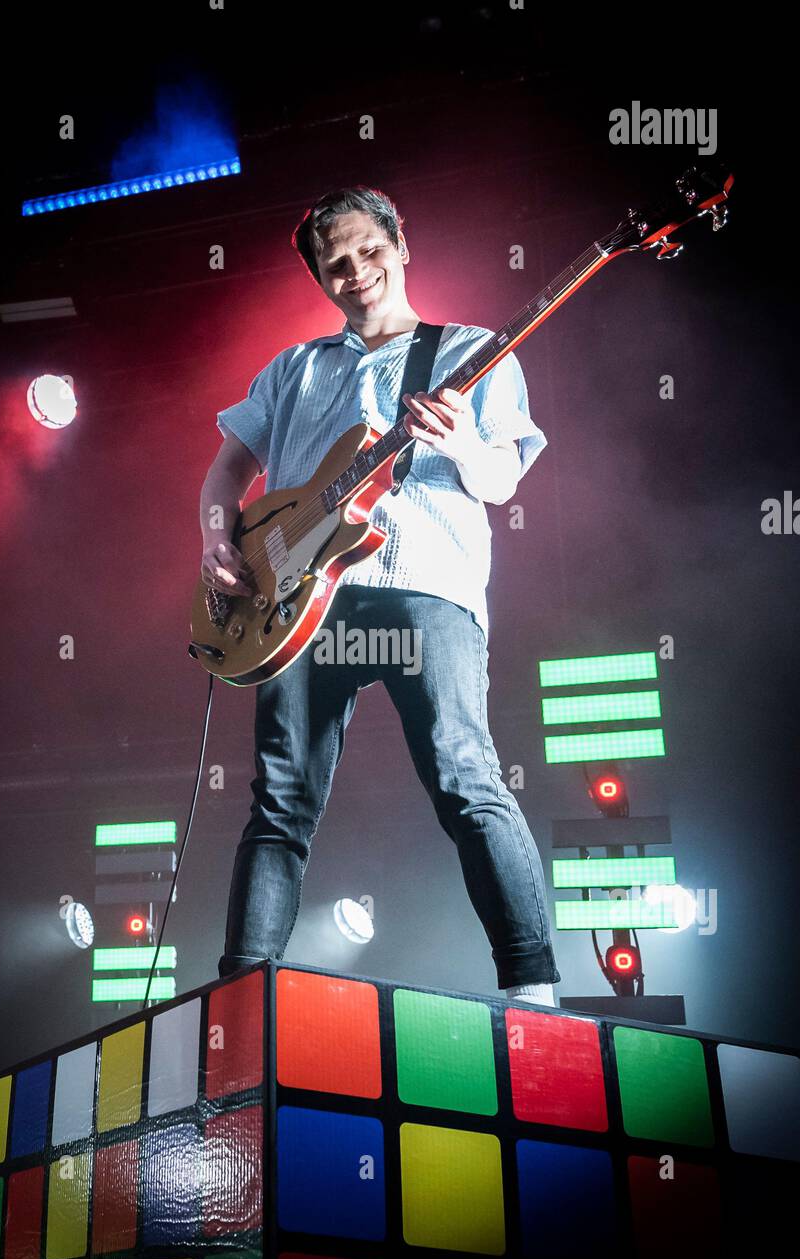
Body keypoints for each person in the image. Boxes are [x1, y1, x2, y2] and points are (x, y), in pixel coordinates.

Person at [198, 185, 560, 1005]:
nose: (355, 272)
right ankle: (242, 1001)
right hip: (297, 602)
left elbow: (502, 479)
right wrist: (217, 537)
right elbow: (228, 469)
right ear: (321, 280)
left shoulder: (471, 348)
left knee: (465, 775)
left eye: (368, 251)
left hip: (421, 584)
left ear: (401, 244)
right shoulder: (294, 368)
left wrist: (461, 439)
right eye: (335, 265)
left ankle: (534, 992)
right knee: (280, 801)